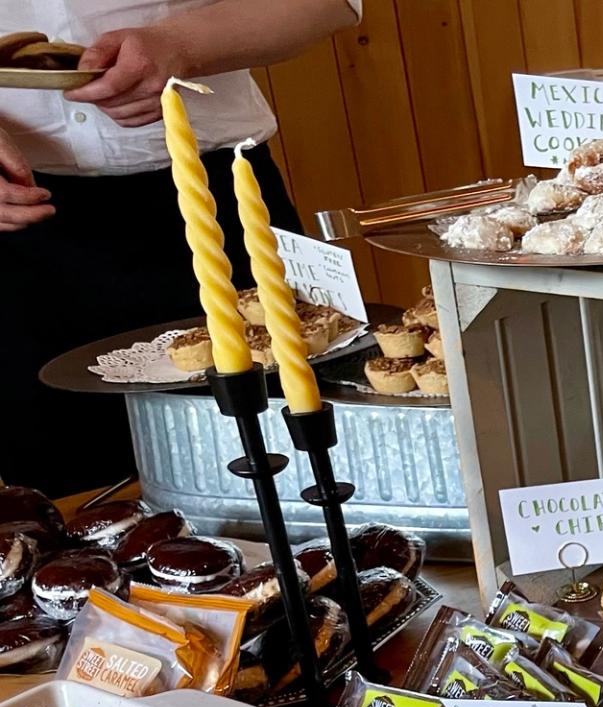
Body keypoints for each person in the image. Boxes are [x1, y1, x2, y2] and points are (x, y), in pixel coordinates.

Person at [1, 0, 364, 495]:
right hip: (16, 226)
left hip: (220, 196)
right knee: (66, 507)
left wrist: (181, 45)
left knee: (302, 477)